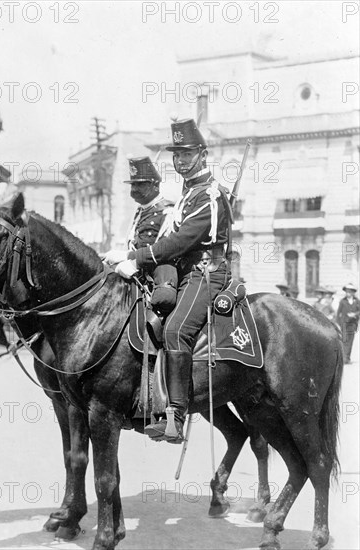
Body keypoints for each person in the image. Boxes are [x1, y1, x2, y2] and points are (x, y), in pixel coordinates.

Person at [115, 118, 233, 442]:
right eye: (176, 154)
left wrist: (135, 257)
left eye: (187, 153)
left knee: (175, 328)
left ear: (203, 154)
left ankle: (175, 415)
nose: (180, 160)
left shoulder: (208, 194)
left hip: (207, 272)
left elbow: (179, 242)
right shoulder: (187, 193)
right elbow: (169, 239)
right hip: (184, 272)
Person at [103, 156, 177, 315]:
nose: (135, 188)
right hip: (133, 275)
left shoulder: (168, 211)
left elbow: (166, 249)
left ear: (155, 185)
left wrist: (135, 263)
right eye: (133, 184)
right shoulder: (140, 211)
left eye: (141, 184)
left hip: (156, 277)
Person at [336, 283, 360, 364]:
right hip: (344, 324)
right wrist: (339, 323)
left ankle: (347, 358)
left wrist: (355, 314)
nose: (348, 293)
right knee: (344, 340)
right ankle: (344, 358)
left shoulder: (357, 301)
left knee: (350, 341)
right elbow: (338, 313)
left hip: (353, 324)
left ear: (353, 293)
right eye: (346, 292)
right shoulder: (342, 301)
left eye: (350, 292)